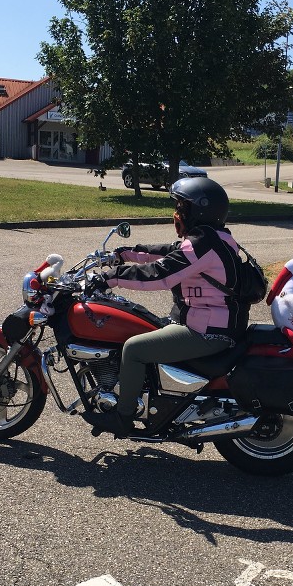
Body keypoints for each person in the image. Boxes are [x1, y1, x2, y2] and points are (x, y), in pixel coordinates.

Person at [86, 177, 245, 437]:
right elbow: (166, 252)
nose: (177, 214)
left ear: (198, 211)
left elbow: (160, 274)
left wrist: (109, 277)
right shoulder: (216, 238)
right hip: (209, 323)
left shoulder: (203, 244)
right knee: (138, 324)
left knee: (134, 348)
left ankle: (123, 417)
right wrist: (123, 253)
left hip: (207, 331)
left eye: (183, 208)